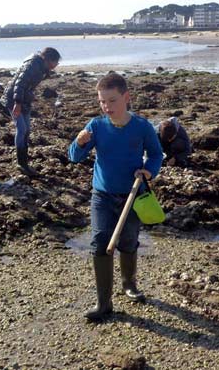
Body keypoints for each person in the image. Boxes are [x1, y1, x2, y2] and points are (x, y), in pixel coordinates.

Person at [69, 72, 163, 321]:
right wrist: (79, 143)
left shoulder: (142, 127)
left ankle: (129, 285)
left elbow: (156, 155)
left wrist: (148, 171)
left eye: (112, 101)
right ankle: (103, 303)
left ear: (126, 97)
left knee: (128, 242)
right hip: (102, 195)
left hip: (133, 195)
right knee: (100, 243)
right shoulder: (96, 126)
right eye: (102, 102)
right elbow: (74, 158)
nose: (106, 107)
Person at [1, 47, 60, 176]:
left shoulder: (42, 67)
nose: (56, 66)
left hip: (24, 99)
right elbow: (19, 83)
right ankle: (21, 163)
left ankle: (24, 161)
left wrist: (28, 97)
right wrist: (17, 103)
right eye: (56, 62)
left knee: (27, 130)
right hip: (13, 99)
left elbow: (28, 85)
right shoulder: (32, 65)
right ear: (48, 59)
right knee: (21, 129)